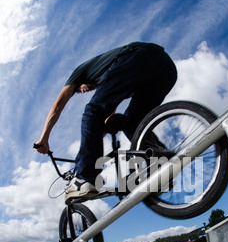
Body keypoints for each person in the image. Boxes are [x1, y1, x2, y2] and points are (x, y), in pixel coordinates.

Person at [35, 42, 177, 204]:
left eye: (80, 89)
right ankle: (160, 161)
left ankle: (84, 178)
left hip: (138, 56)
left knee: (91, 111)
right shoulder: (111, 76)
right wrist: (99, 132)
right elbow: (109, 109)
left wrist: (44, 137)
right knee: (133, 123)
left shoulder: (80, 72)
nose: (83, 91)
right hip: (166, 69)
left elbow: (57, 105)